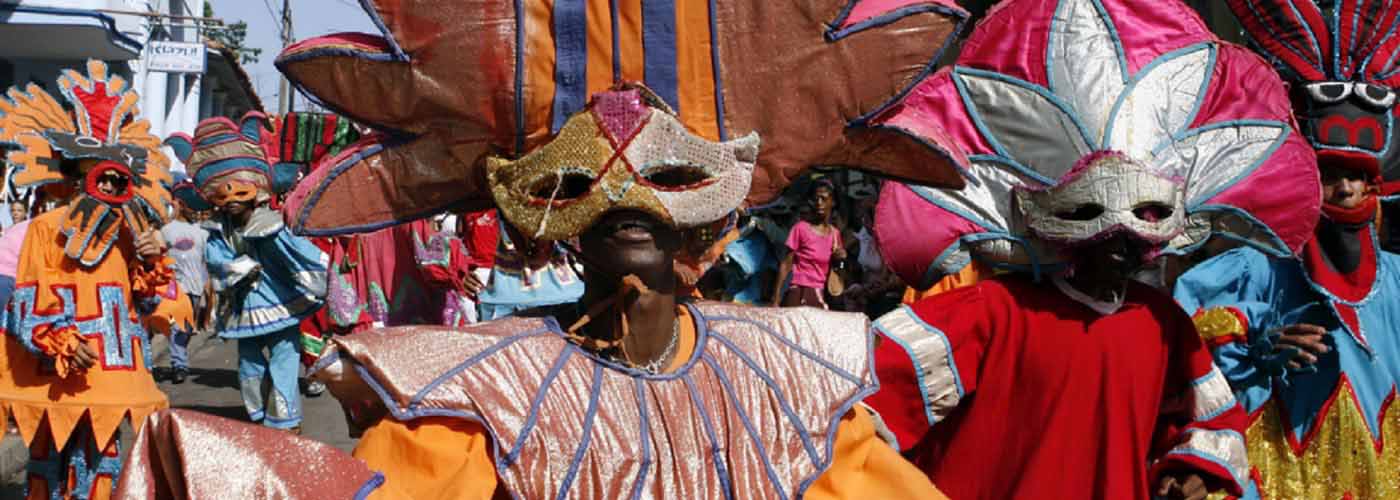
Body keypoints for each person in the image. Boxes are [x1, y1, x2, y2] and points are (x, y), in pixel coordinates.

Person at [114, 0, 972, 497]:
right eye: (578, 184)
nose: (624, 197)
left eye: (669, 176)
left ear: (711, 229)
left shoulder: (788, 377)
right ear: (536, 220)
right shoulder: (487, 386)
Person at [863, 0, 1324, 498]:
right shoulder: (993, 313)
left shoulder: (1163, 323)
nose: (1122, 246)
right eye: (1098, 225)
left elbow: (1212, 420)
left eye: (1142, 225)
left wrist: (1188, 471)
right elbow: (863, 400)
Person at [1172, 2, 1400, 497]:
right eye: (1332, 175)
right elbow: (1186, 359)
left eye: (1359, 177)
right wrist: (1255, 345)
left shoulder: (1398, 282)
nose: (1345, 191)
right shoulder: (1250, 270)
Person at [0, 60, 175, 500]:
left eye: (118, 179)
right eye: (98, 178)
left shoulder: (133, 233)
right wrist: (57, 337)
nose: (107, 190)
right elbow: (24, 304)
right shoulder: (43, 228)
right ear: (72, 180)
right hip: (55, 379)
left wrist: (150, 266)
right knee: (46, 473)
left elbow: (146, 308)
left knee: (104, 474)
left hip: (113, 382)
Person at [164, 113, 327, 433]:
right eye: (223, 196)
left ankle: (285, 421)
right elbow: (218, 265)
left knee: (284, 360)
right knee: (250, 365)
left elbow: (300, 256)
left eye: (239, 193)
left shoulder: (274, 225)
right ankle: (258, 417)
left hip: (281, 304)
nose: (232, 201)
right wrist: (244, 269)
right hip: (243, 310)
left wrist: (317, 282)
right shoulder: (216, 231)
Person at [156, 178, 209, 384]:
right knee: (178, 326)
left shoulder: (203, 232)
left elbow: (206, 261)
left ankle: (180, 360)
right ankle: (180, 365)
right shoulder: (167, 230)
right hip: (175, 287)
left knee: (186, 329)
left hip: (195, 288)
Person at [772, 180, 845, 308]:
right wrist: (776, 299)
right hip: (798, 292)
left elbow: (838, 268)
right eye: (816, 199)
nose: (819, 203)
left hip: (820, 293)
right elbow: (786, 264)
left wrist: (841, 259)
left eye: (824, 199)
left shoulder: (835, 234)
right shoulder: (800, 228)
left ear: (832, 202)